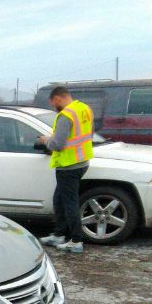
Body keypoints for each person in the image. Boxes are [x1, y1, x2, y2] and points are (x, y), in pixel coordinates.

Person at [37, 86, 94, 254]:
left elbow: (57, 144)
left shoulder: (66, 115)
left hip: (68, 165)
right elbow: (88, 135)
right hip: (81, 161)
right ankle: (59, 234)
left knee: (69, 203)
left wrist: (45, 140)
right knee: (59, 199)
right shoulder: (84, 109)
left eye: (53, 103)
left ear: (58, 98)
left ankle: (76, 241)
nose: (54, 106)